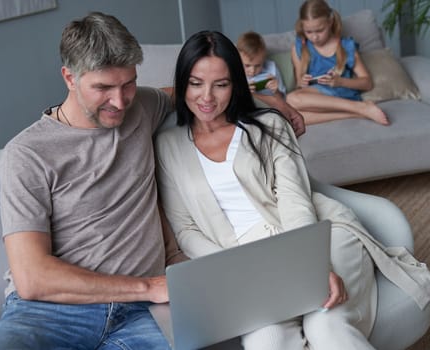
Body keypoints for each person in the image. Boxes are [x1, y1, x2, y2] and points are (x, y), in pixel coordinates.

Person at [156, 30, 379, 350]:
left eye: (220, 84)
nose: (207, 97)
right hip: (243, 263)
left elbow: (294, 198)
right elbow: (186, 229)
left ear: (235, 85)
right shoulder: (167, 146)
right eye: (195, 83)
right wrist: (237, 272)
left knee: (325, 326)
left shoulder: (270, 125)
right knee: (266, 342)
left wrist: (314, 266)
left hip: (315, 237)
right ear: (182, 84)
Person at [0, 12, 187, 350]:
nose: (119, 101)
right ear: (69, 78)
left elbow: (201, 95)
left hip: (143, 316)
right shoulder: (27, 153)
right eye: (103, 88)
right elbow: (32, 278)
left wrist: (275, 101)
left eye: (128, 83)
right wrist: (149, 287)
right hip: (48, 313)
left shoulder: (143, 106)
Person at [286, 0, 389, 125]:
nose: (314, 37)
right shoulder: (299, 47)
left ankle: (356, 106)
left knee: (291, 98)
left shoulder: (346, 46)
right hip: (316, 98)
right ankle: (357, 111)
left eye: (319, 30)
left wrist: (340, 81)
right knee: (290, 117)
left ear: (330, 22)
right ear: (302, 26)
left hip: (341, 93)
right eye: (309, 32)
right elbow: (299, 84)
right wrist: (302, 82)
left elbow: (367, 83)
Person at [237, 31, 306, 137]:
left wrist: (276, 91)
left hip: (272, 107)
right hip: (250, 109)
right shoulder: (236, 73)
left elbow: (282, 101)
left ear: (263, 59)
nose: (252, 70)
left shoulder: (271, 69)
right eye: (247, 65)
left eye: (257, 65)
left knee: (281, 111)